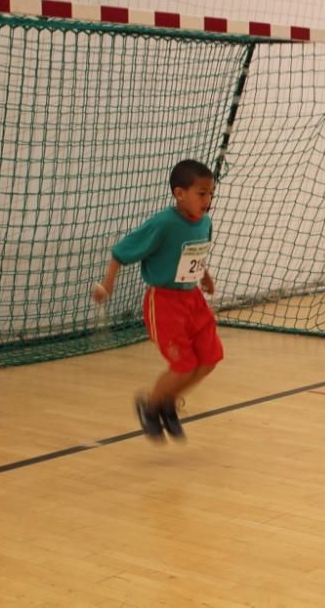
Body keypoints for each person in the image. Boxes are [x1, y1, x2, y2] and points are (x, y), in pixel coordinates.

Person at [92, 159, 223, 442]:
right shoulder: (162, 224)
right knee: (184, 365)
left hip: (194, 300)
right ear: (179, 193)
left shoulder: (205, 222)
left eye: (210, 193)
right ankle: (151, 406)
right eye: (202, 193)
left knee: (209, 360)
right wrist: (107, 286)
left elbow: (194, 253)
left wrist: (204, 275)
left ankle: (167, 400)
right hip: (165, 303)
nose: (208, 199)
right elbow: (120, 251)